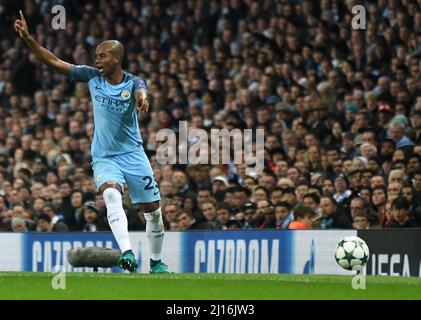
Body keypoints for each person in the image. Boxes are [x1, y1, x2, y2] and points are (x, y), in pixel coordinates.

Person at [14, 11, 172, 273]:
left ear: (116, 59)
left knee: (153, 211)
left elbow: (143, 92)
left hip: (133, 154)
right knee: (111, 194)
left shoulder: (133, 83)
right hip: (104, 156)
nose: (96, 59)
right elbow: (53, 61)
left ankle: (156, 262)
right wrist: (29, 39)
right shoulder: (91, 77)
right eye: (96, 55)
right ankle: (128, 253)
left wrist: (143, 100)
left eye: (102, 55)